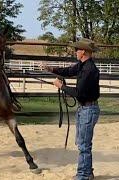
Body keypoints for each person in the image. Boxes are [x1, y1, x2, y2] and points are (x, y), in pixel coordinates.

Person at [40, 38, 100, 180]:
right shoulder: (83, 65)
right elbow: (68, 71)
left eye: (77, 50)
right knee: (83, 143)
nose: (75, 52)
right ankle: (88, 172)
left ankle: (83, 175)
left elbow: (79, 93)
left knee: (83, 145)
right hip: (85, 109)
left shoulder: (89, 70)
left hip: (88, 109)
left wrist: (61, 86)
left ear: (83, 51)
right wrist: (52, 69)